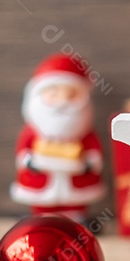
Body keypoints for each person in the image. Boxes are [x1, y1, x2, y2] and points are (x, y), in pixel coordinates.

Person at [11, 53, 106, 222]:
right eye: (54, 94)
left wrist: (87, 164)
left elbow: (95, 154)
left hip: (76, 185)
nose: (63, 102)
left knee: (75, 206)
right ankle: (42, 217)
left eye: (72, 95)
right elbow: (23, 152)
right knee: (43, 207)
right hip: (41, 183)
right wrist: (30, 163)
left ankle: (75, 218)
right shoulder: (31, 133)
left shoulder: (87, 135)